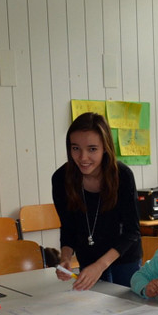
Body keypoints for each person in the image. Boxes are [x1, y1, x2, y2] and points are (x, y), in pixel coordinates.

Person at [52, 112, 141, 290]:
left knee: (127, 304)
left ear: (105, 148)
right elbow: (68, 227)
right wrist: (66, 258)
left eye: (92, 149)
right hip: (88, 258)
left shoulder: (123, 176)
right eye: (76, 148)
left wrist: (100, 266)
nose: (83, 157)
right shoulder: (61, 178)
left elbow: (132, 231)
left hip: (124, 258)